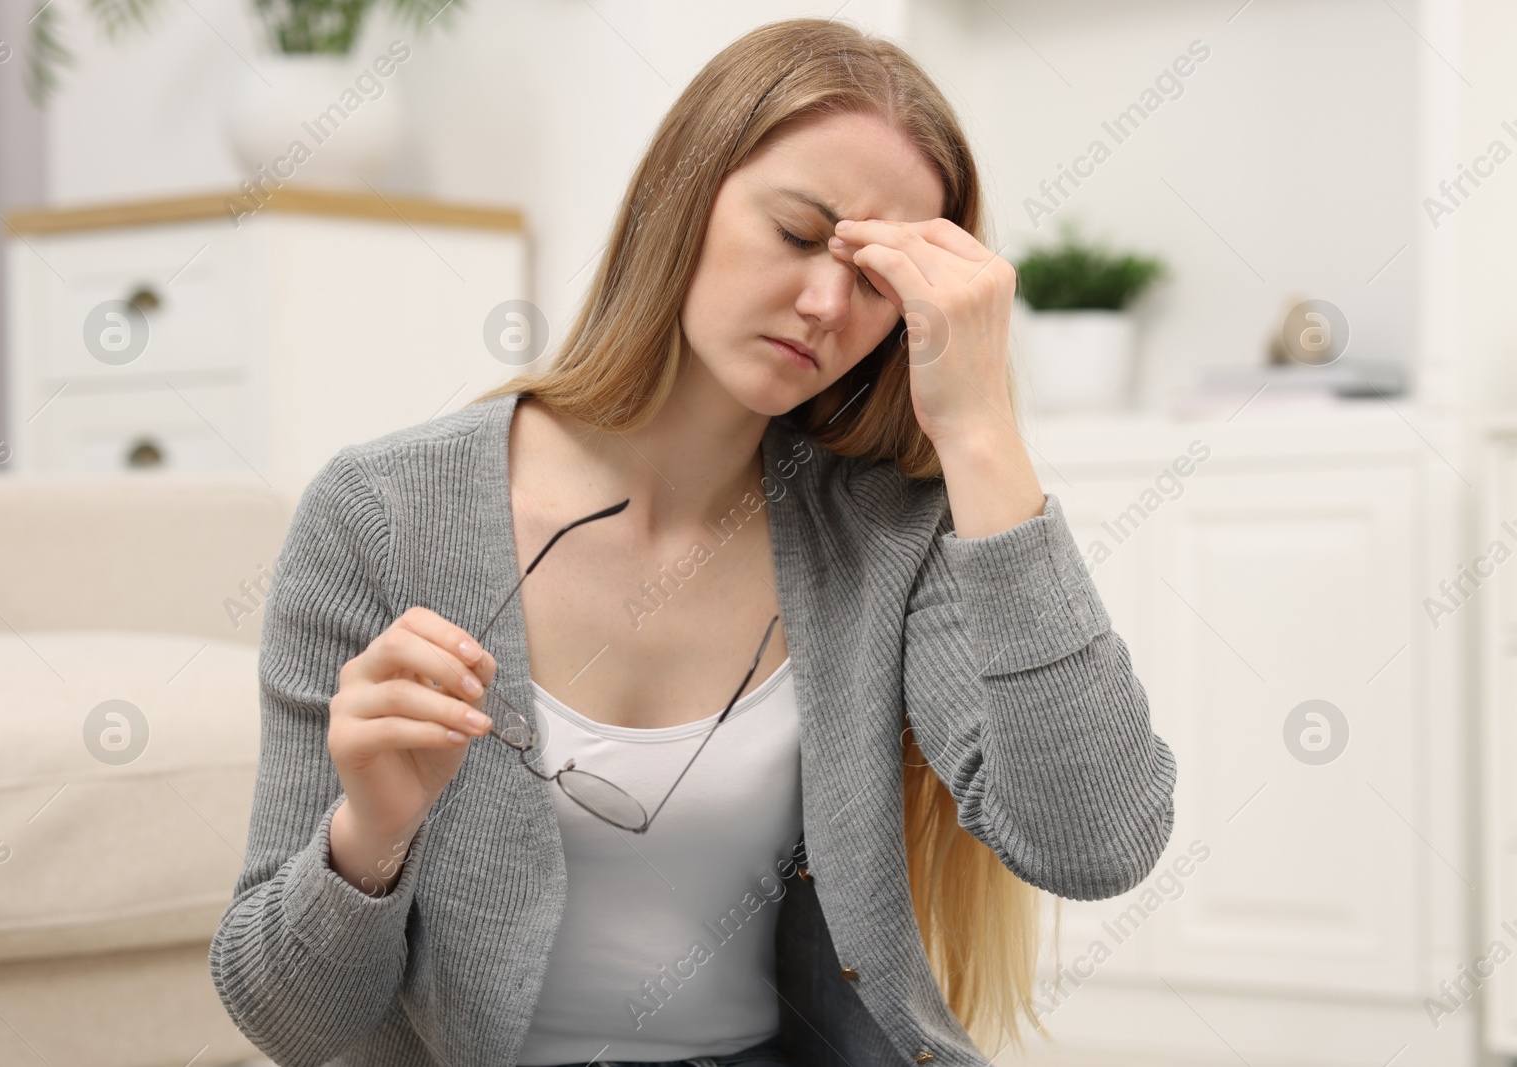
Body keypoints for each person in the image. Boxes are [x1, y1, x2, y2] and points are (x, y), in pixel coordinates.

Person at [210, 16, 1177, 1067]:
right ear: (684, 195)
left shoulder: (883, 532)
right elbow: (288, 1022)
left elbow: (1097, 840)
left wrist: (984, 432)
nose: (823, 303)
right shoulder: (380, 511)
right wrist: (371, 835)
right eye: (800, 234)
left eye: (875, 281)